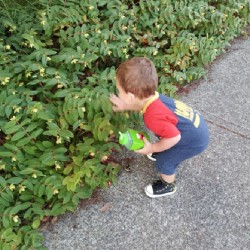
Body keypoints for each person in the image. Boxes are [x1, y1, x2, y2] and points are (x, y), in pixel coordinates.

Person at [109, 57, 209, 198]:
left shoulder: (153, 116)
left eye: (120, 91)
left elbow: (174, 137)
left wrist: (152, 148)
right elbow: (139, 104)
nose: (118, 93)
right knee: (166, 138)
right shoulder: (153, 97)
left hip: (192, 141)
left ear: (131, 96)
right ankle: (163, 150)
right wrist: (125, 105)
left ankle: (168, 185)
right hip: (194, 128)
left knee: (165, 161)